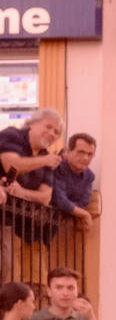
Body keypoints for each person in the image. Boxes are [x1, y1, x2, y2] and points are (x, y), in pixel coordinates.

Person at [0, 108, 63, 280]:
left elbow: (45, 197)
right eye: (48, 127)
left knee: (27, 277)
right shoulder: (12, 135)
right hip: (5, 217)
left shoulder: (46, 157)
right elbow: (11, 165)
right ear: (32, 124)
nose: (52, 133)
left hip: (22, 225)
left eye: (56, 132)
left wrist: (22, 193)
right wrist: (44, 161)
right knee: (9, 271)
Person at [51, 133, 97, 229]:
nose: (85, 158)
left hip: (67, 227)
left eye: (90, 154)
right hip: (45, 223)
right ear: (68, 152)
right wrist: (84, 214)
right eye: (80, 152)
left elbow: (84, 202)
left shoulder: (90, 176)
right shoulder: (57, 167)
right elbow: (58, 199)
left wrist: (69, 207)